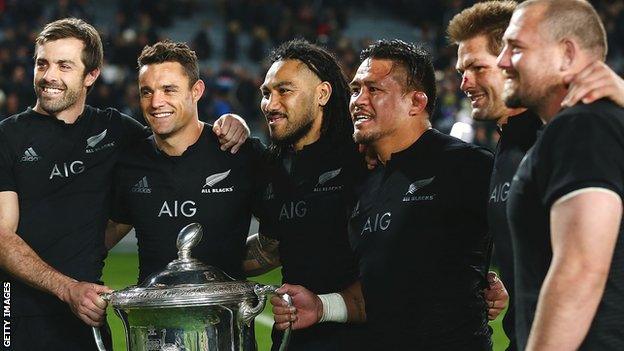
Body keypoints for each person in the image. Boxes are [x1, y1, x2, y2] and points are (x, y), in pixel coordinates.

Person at [0, 19, 247, 351]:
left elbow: (175, 135)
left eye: (64, 65)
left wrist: (232, 122)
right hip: (15, 313)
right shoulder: (7, 136)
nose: (49, 76)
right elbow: (2, 236)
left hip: (86, 314)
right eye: (42, 63)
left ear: (91, 75)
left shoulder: (117, 132)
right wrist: (68, 288)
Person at [273, 39, 496, 350]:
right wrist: (321, 307)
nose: (358, 100)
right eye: (355, 89)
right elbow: (377, 292)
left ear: (416, 102)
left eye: (373, 90)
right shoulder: (365, 179)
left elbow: (532, 243)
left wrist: (500, 283)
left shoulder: (466, 166)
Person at [448, 2, 624, 348]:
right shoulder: (523, 138)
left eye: (516, 49)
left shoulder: (580, 125)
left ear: (566, 54)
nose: (504, 61)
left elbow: (579, 271)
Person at [242, 39, 367, 351]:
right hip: (290, 338)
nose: (270, 104)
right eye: (266, 93)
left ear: (322, 94)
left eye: (285, 90)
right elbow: (273, 246)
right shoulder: (270, 166)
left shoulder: (364, 157)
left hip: (360, 338)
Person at [106, 40, 263, 287]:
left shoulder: (240, 153)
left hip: (226, 321)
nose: (156, 102)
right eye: (147, 91)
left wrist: (224, 268)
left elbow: (283, 233)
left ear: (196, 91)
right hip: (152, 321)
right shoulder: (130, 161)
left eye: (169, 90)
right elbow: (114, 226)